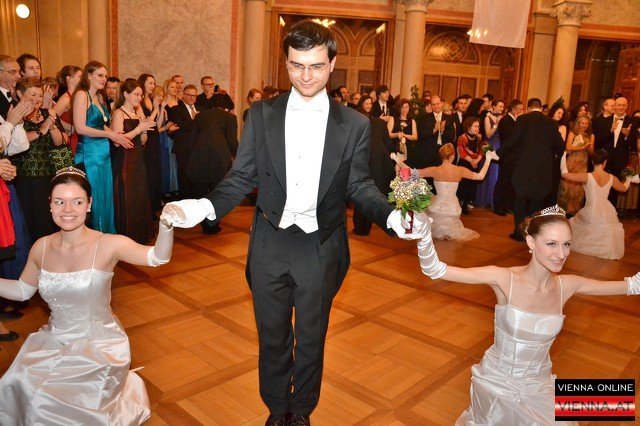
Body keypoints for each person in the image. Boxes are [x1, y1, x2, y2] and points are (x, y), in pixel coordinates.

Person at [160, 20, 426, 426]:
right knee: (272, 336)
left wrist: (392, 215)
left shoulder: (354, 124)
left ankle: (300, 410)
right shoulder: (262, 114)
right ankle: (275, 408)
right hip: (270, 242)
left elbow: (360, 184)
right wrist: (205, 206)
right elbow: (241, 176)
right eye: (296, 65)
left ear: (332, 64)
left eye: (316, 66)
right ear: (286, 63)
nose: (306, 76)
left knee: (312, 339)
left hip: (321, 245)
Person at [416, 205, 640, 425]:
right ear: (531, 242)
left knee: (616, 400)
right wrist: (423, 233)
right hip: (499, 383)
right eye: (551, 244)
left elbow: (632, 285)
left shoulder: (567, 286)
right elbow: (434, 269)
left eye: (566, 244)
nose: (561, 254)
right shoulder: (504, 279)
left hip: (539, 383)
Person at [0, 167, 175, 424]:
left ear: (89, 204)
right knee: (15, 383)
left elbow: (158, 257)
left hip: (99, 346)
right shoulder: (41, 247)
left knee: (47, 403)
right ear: (50, 204)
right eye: (59, 201)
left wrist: (166, 224)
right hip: (53, 341)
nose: (68, 210)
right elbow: (23, 290)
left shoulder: (108, 244)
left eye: (77, 202)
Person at [393, 143, 497, 240]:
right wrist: (488, 159)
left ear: (441, 156)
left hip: (437, 209)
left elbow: (411, 172)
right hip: (453, 210)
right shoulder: (460, 170)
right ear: (452, 156)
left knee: (425, 200)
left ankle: (438, 232)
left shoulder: (435, 170)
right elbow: (480, 176)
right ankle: (446, 232)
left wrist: (397, 160)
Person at [73, 62, 130, 234]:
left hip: (103, 153)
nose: (104, 79)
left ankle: (106, 235)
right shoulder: (82, 95)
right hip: (90, 154)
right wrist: (110, 135)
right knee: (95, 197)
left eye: (105, 76)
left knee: (106, 196)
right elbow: (80, 128)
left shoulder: (99, 96)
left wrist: (116, 135)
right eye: (100, 75)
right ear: (88, 75)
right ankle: (95, 237)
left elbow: (101, 124)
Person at [500, 98, 565, 241]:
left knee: (520, 200)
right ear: (541, 108)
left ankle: (519, 233)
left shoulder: (522, 119)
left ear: (529, 108)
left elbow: (513, 140)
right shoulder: (551, 123)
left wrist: (498, 153)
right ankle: (532, 233)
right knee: (537, 202)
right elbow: (561, 147)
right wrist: (551, 156)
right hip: (543, 170)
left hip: (524, 167)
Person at [12, 77, 66, 243]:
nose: (37, 99)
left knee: (47, 220)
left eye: (40, 95)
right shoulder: (15, 115)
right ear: (20, 94)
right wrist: (42, 130)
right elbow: (16, 141)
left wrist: (51, 125)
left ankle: (48, 252)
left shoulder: (47, 113)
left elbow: (60, 142)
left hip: (48, 176)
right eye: (32, 94)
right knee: (29, 222)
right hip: (25, 179)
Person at [561, 149, 633, 260]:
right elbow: (624, 188)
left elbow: (564, 174)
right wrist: (629, 179)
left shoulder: (587, 176)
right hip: (607, 210)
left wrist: (563, 155)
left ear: (592, 162)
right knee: (606, 229)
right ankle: (606, 251)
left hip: (590, 211)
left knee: (579, 224)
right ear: (605, 162)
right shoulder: (611, 177)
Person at [110, 79, 155, 243]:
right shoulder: (118, 113)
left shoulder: (137, 113)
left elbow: (142, 141)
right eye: (136, 94)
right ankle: (127, 236)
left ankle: (139, 234)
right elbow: (117, 141)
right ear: (125, 94)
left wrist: (144, 130)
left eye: (141, 95)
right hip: (125, 161)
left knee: (138, 196)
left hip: (138, 160)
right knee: (128, 196)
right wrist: (138, 129)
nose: (139, 98)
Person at [353, 95, 396, 236]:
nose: (368, 105)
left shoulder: (357, 121)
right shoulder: (379, 123)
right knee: (371, 194)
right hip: (377, 164)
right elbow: (388, 144)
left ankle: (360, 229)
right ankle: (365, 228)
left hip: (362, 162)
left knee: (360, 194)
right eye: (366, 103)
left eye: (369, 103)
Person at [557, 116, 594, 215]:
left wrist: (589, 146)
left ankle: (574, 210)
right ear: (578, 123)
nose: (584, 125)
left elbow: (591, 153)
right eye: (582, 123)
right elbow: (568, 147)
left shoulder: (591, 135)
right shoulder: (572, 133)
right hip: (572, 161)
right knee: (567, 185)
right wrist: (583, 146)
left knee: (579, 187)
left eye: (586, 124)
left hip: (583, 163)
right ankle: (563, 210)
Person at [137, 73, 163, 213]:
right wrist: (155, 108)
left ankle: (155, 205)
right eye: (150, 83)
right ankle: (147, 209)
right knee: (148, 172)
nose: (153, 86)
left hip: (155, 137)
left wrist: (158, 108)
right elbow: (146, 123)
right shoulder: (139, 101)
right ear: (143, 83)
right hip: (145, 139)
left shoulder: (151, 100)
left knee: (155, 172)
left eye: (154, 83)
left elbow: (157, 124)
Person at [493, 99, 524, 216]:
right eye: (520, 109)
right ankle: (498, 206)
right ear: (513, 109)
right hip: (507, 156)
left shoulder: (517, 121)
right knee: (503, 181)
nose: (522, 111)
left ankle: (506, 205)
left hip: (514, 157)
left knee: (511, 182)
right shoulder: (506, 120)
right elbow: (509, 139)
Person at [475, 99, 504, 208]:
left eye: (503, 107)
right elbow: (488, 134)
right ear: (494, 106)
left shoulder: (502, 117)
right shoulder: (487, 118)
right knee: (489, 172)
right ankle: (484, 200)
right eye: (499, 106)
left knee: (496, 175)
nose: (501, 109)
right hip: (489, 145)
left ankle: (492, 200)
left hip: (499, 145)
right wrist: (496, 124)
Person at [456, 117, 486, 214]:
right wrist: (472, 161)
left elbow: (482, 150)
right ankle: (459, 203)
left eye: (478, 126)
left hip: (474, 164)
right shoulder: (462, 137)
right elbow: (462, 152)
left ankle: (466, 203)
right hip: (465, 164)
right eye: (475, 126)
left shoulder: (478, 138)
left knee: (471, 186)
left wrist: (476, 161)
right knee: (463, 185)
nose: (478, 128)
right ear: (469, 127)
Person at [387, 98, 417, 163]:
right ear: (399, 108)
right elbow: (387, 134)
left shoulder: (412, 121)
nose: (404, 109)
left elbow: (415, 137)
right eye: (402, 107)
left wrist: (404, 135)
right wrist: (397, 134)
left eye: (406, 107)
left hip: (408, 149)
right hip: (395, 147)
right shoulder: (393, 119)